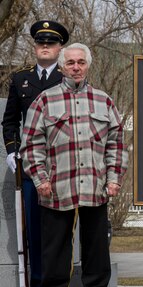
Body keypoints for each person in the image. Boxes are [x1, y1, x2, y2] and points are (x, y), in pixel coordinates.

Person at [20, 43, 128, 287]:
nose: (76, 67)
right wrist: (41, 179)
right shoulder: (44, 100)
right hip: (56, 189)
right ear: (61, 66)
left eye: (81, 62)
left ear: (87, 65)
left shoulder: (104, 101)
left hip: (95, 189)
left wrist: (114, 178)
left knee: (97, 256)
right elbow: (31, 144)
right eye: (70, 63)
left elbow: (117, 144)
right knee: (55, 258)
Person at [1, 20, 69, 287]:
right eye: (40, 42)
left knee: (60, 228)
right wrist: (11, 150)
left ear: (59, 47)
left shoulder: (67, 77)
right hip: (31, 165)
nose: (45, 46)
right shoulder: (21, 79)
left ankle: (58, 279)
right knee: (33, 229)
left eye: (50, 43)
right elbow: (10, 121)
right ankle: (38, 279)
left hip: (62, 164)